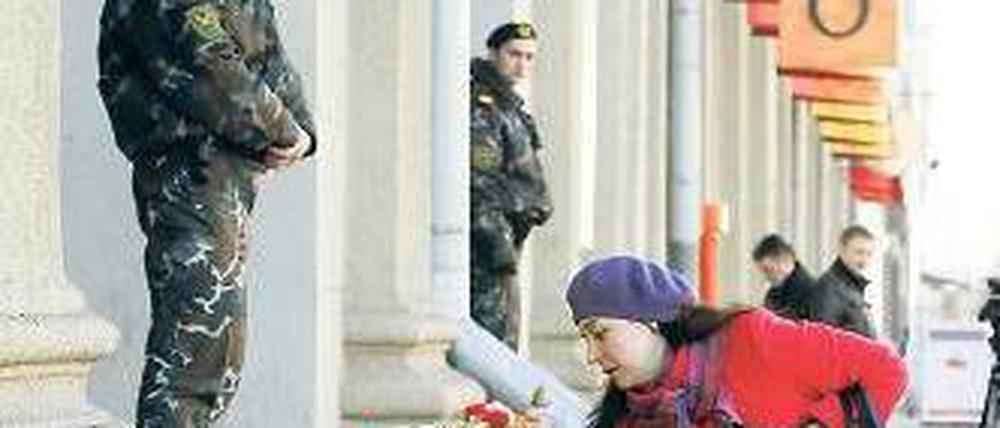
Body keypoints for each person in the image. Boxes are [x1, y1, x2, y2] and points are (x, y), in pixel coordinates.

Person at [97, 0, 315, 425]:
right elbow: (209, 63)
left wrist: (301, 130)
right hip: (186, 173)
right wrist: (284, 130)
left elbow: (264, 45)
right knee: (192, 355)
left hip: (222, 176)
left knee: (217, 353)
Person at [566, 255, 907, 427]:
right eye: (585, 338)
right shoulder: (627, 417)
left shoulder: (750, 339)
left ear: (650, 322)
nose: (591, 354)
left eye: (599, 333)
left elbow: (886, 370)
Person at [470, 22, 553, 350]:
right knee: (493, 346)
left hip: (506, 244)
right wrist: (499, 251)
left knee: (505, 342)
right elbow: (480, 184)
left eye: (529, 57)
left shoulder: (509, 107)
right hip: (488, 251)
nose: (522, 64)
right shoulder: (483, 107)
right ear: (494, 53)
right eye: (514, 54)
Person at [813, 225, 878, 338]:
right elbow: (824, 339)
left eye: (869, 254)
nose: (864, 260)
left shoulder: (852, 286)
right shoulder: (829, 288)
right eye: (859, 252)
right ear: (842, 250)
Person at [751, 234, 817, 320]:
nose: (766, 277)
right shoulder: (773, 293)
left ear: (782, 261)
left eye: (767, 269)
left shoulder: (812, 292)